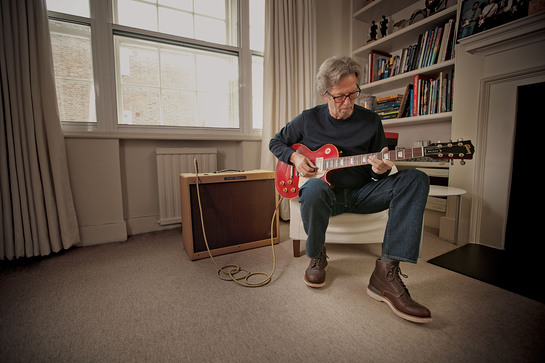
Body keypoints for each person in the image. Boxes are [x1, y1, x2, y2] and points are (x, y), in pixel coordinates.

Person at [269, 56, 431, 324]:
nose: (347, 102)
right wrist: (296, 158)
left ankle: (386, 274)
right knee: (313, 189)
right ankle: (317, 255)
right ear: (325, 95)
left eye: (353, 94)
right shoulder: (308, 119)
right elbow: (276, 142)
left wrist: (378, 171)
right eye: (339, 96)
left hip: (364, 193)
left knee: (415, 179)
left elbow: (378, 167)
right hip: (326, 197)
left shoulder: (371, 121)